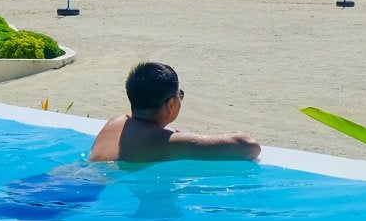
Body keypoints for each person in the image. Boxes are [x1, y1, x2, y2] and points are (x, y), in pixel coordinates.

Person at [88, 62, 261, 163]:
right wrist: (179, 137)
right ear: (171, 104)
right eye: (180, 96)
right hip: (84, 198)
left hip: (67, 178)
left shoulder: (115, 122)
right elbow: (249, 146)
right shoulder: (167, 142)